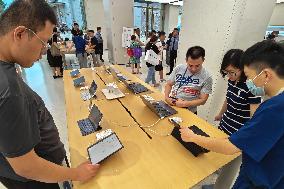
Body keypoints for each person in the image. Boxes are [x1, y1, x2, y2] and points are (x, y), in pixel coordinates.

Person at [0, 1, 100, 188]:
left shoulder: (6, 70)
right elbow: (26, 166)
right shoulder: (8, 89)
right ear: (20, 34)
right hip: (38, 180)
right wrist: (76, 173)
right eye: (42, 42)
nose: (44, 51)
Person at [180, 40, 284, 189]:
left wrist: (192, 137)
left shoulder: (274, 109)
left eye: (249, 76)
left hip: (258, 181)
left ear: (266, 75)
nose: (248, 81)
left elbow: (231, 146)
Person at [203, 49, 262, 189]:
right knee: (219, 158)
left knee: (230, 166)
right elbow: (228, 99)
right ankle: (215, 184)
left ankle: (221, 186)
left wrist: (247, 135)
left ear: (242, 69)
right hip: (225, 124)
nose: (229, 76)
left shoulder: (252, 87)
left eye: (232, 72)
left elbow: (255, 115)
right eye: (226, 72)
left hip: (238, 132)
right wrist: (220, 114)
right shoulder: (232, 81)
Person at [165, 46, 213, 114]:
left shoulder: (207, 77)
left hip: (189, 111)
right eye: (190, 65)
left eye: (197, 66)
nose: (193, 69)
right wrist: (166, 97)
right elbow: (169, 84)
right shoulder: (179, 68)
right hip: (172, 105)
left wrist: (185, 104)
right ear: (186, 60)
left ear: (203, 60)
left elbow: (203, 100)